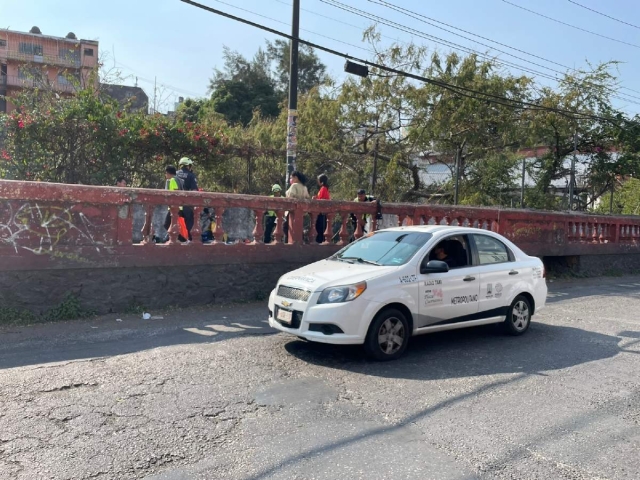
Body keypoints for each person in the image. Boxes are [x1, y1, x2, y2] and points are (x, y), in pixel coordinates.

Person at [163, 165, 188, 243]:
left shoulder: (173, 180)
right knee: (173, 225)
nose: (165, 175)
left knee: (167, 224)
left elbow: (175, 192)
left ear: (169, 173)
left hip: (174, 207)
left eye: (166, 173)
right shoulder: (179, 180)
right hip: (179, 207)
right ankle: (176, 239)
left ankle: (183, 239)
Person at [176, 157, 198, 241]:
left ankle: (179, 239)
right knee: (189, 223)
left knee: (174, 222)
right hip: (187, 204)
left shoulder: (175, 174)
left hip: (176, 203)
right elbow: (194, 191)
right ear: (188, 166)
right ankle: (191, 241)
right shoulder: (191, 175)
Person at [284, 171, 309, 243]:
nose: (291, 179)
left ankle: (290, 242)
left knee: (286, 227)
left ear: (296, 178)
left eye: (292, 177)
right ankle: (301, 241)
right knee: (298, 228)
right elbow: (307, 198)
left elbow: (291, 196)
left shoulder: (294, 186)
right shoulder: (304, 187)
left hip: (291, 210)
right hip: (301, 211)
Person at [313, 174, 330, 243]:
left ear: (322, 182)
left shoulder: (323, 188)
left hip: (322, 212)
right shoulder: (324, 188)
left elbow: (321, 199)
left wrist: (315, 198)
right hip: (322, 212)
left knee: (320, 228)